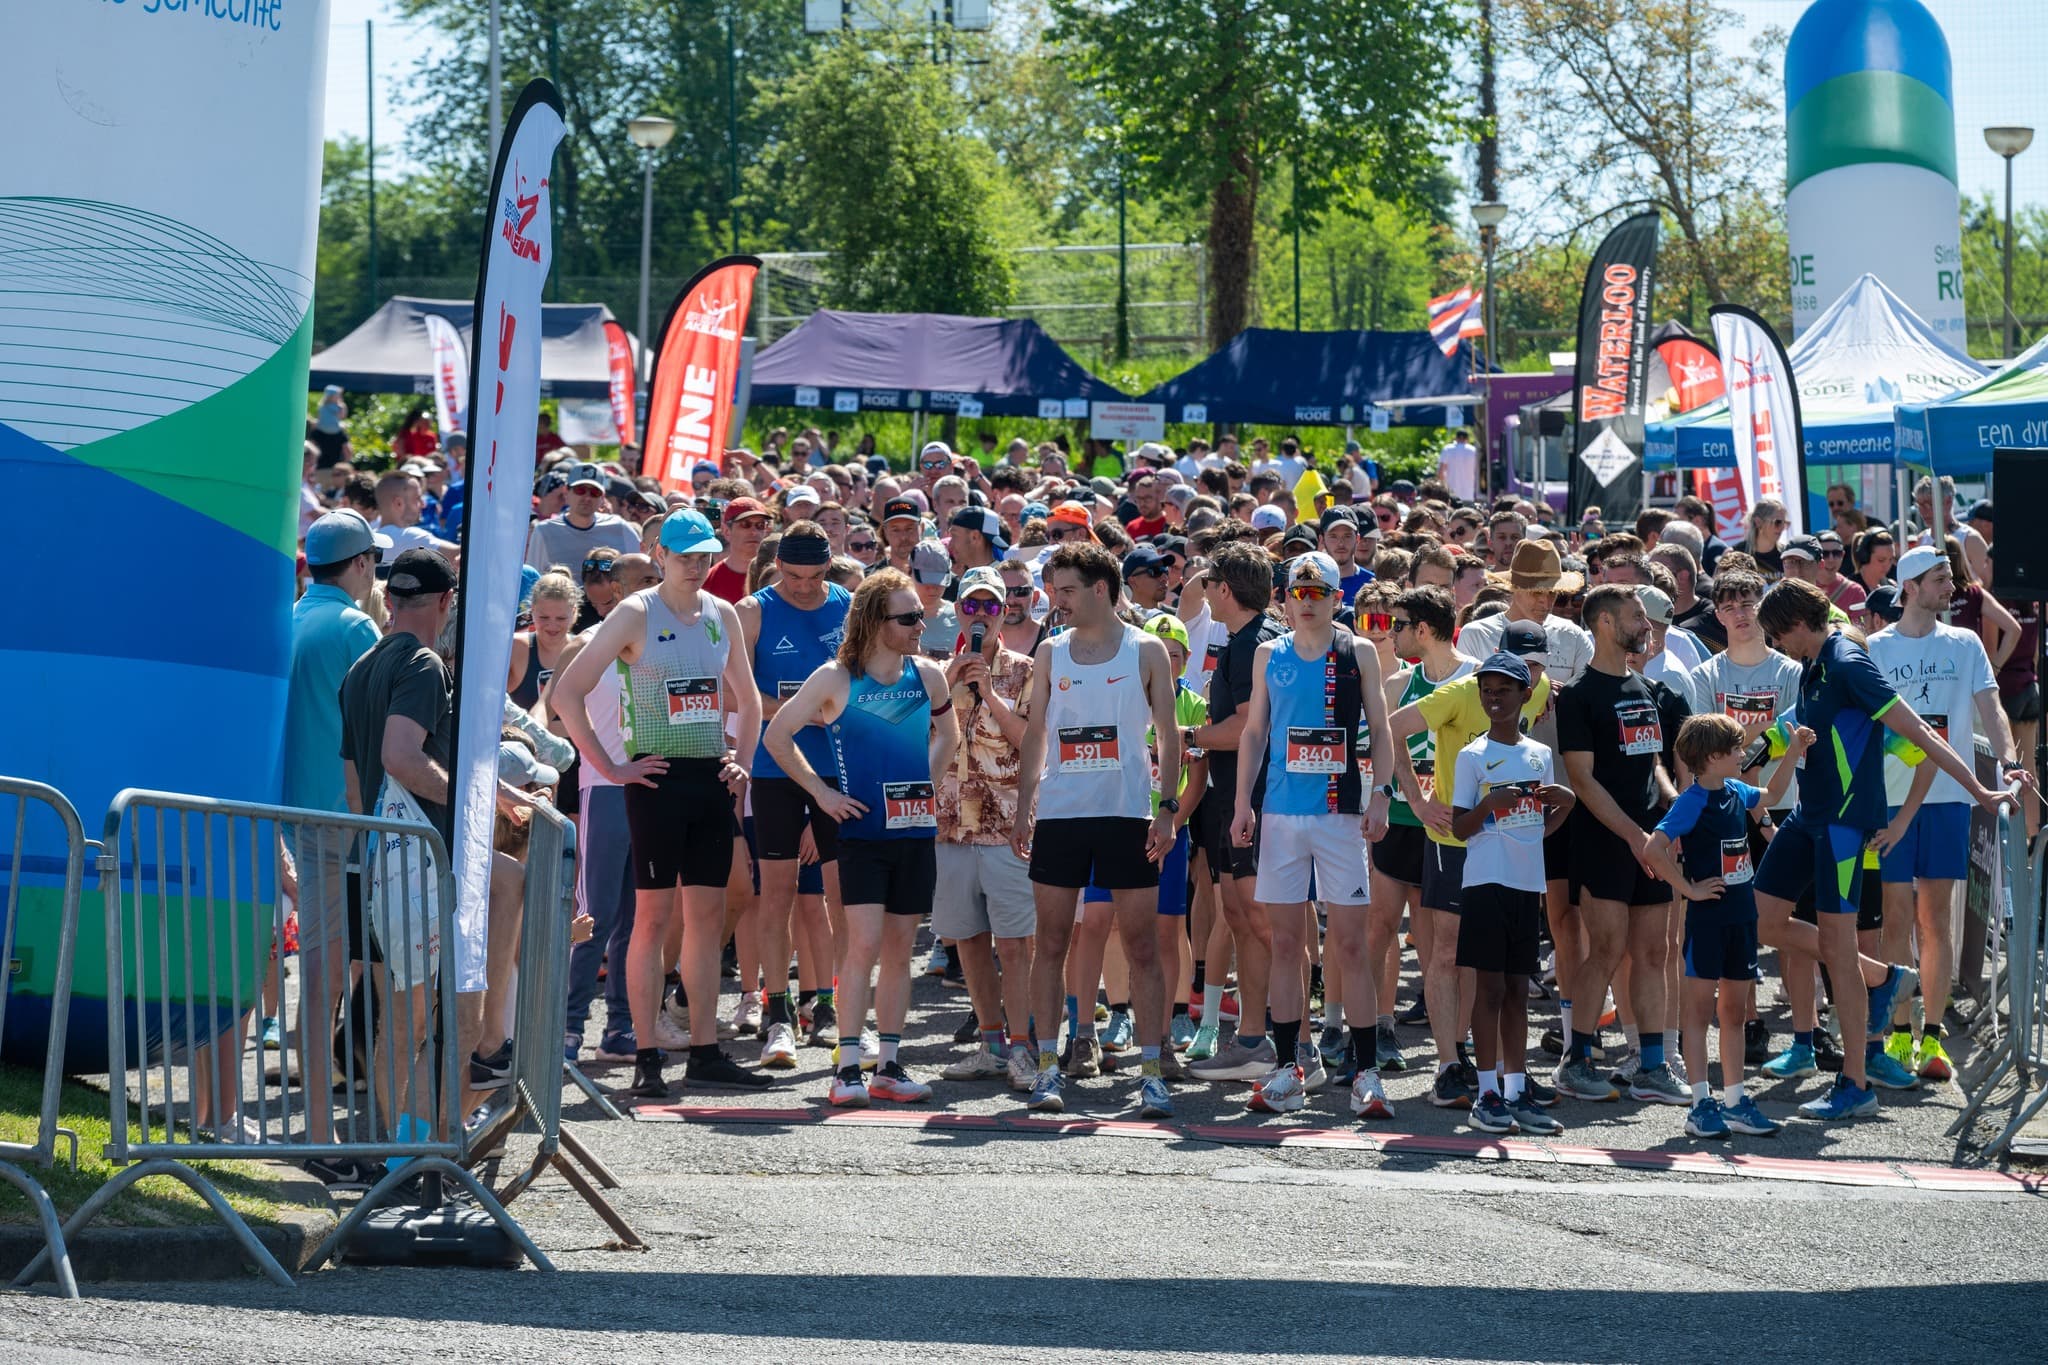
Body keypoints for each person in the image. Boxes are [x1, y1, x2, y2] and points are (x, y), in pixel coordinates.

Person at [1751, 576, 2010, 1120]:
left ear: (1796, 624)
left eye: (1776, 635)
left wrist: (1981, 790)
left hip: (1844, 826)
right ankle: (1883, 975)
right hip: (1807, 817)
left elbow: (1922, 734)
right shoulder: (1812, 664)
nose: (1775, 645)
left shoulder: (1849, 663)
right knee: (1762, 920)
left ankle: (1855, 1084)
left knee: (1837, 950)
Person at [551, 509, 767, 1099]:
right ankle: (645, 1054)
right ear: (660, 555)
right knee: (650, 920)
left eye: (704, 556)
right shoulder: (635, 612)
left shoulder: (721, 613)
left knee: (705, 921)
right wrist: (611, 768)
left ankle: (704, 1050)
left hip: (710, 780)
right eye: (685, 556)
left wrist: (743, 762)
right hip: (655, 781)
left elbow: (748, 700)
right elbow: (566, 692)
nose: (696, 566)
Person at [338, 550, 525, 1126]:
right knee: (445, 1020)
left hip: (379, 858)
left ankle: (404, 1149)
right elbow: (400, 756)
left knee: (403, 1022)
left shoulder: (362, 666)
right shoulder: (423, 664)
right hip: (417, 865)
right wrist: (472, 803)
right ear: (446, 602)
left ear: (391, 598)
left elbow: (354, 786)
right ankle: (421, 1146)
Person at [765, 570, 959, 1107]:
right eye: (909, 617)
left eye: (920, 615)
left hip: (913, 832)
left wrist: (925, 785)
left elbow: (949, 735)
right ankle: (847, 1067)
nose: (921, 625)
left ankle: (888, 1066)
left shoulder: (928, 674)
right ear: (875, 621)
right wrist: (822, 794)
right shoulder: (835, 677)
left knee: (899, 950)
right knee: (864, 945)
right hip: (861, 833)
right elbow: (777, 736)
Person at [1012, 542, 1183, 1119]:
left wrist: (1168, 807)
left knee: (1142, 945)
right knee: (1051, 942)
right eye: (1053, 590)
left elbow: (1170, 733)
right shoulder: (1050, 652)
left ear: (1101, 589)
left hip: (1127, 815)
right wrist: (1024, 806)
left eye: (1066, 590)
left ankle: (1152, 1072)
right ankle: (1047, 1065)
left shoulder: (1146, 649)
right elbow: (1037, 733)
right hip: (1061, 815)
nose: (1056, 601)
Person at [1230, 553, 1396, 1118]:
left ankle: (1366, 1072)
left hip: (1340, 814)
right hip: (1281, 813)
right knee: (1284, 944)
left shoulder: (1357, 651)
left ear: (1335, 598)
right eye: (1296, 592)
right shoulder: (1268, 653)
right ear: (1284, 596)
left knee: (1350, 944)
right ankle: (1287, 1069)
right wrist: (1243, 804)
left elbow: (1381, 729)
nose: (1305, 601)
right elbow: (1254, 733)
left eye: (1317, 592)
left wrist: (1381, 794)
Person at [1866, 545, 2020, 1084]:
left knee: (1934, 919)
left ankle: (1932, 1037)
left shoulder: (1965, 642)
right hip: (1889, 799)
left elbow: (1991, 708)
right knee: (1895, 919)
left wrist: (2009, 761)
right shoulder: (1875, 648)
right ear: (1909, 587)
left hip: (1949, 798)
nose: (1950, 587)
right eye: (1939, 579)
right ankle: (1898, 1032)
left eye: (1949, 577)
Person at [1387, 618, 1553, 1106]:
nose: (1532, 672)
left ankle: (1502, 1070)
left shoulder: (1539, 690)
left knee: (1497, 964)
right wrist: (1417, 802)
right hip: (1456, 841)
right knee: (1447, 951)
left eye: (1538, 665)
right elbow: (1392, 728)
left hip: (1510, 850)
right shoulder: (1464, 692)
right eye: (1523, 662)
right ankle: (1448, 1065)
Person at [1552, 584, 1689, 1104]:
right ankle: (1576, 1061)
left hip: (1651, 841)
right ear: (1605, 623)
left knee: (1654, 951)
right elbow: (1582, 780)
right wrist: (1634, 836)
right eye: (1636, 616)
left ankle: (1653, 1065)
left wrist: (1673, 811)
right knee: (1606, 949)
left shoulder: (1647, 690)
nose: (1647, 625)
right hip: (1605, 841)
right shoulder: (1579, 695)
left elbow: (1652, 763)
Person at [1645, 714, 1808, 1139]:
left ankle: (1735, 1102)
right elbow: (1653, 848)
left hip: (1742, 916)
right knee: (1698, 1013)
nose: (1741, 754)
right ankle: (1701, 1105)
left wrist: (1793, 752)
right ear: (1712, 757)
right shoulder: (1691, 801)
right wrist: (1688, 889)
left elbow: (1773, 793)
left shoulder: (1736, 790)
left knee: (1734, 1012)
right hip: (1708, 919)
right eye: (1735, 749)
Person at [283, 512, 386, 1177]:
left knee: (328, 974)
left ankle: (323, 1131)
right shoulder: (354, 628)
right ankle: (322, 1135)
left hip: (300, 814)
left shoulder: (291, 618)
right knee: (330, 976)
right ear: (362, 563)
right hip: (344, 821)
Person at [736, 522, 853, 1068]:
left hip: (839, 766)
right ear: (776, 566)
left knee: (841, 896)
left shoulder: (851, 606)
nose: (804, 588)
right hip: (775, 766)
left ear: (829, 565)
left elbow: (869, 682)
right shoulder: (753, 611)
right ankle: (778, 1012)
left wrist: (819, 711)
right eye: (793, 576)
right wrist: (806, 710)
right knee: (776, 893)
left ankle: (831, 1006)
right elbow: (737, 693)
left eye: (815, 576)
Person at [1450, 652, 1576, 1136]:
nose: (1493, 698)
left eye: (1504, 690)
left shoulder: (1539, 755)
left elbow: (1538, 828)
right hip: (1485, 882)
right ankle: (1486, 1093)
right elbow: (1460, 828)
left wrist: (1565, 806)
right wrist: (1489, 803)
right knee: (1490, 989)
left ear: (1527, 694)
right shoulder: (1472, 755)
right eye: (1487, 690)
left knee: (1519, 991)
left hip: (1526, 884)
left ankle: (1516, 1090)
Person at [932, 566, 1039, 1091]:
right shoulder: (935, 673)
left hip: (1007, 828)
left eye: (990, 606)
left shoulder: (1026, 671)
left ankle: (1023, 1047)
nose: (980, 614)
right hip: (949, 827)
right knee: (968, 939)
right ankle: (991, 1044)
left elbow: (1033, 744)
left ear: (1004, 612)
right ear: (957, 611)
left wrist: (990, 693)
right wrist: (949, 684)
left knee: (1016, 944)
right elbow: (917, 735)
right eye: (971, 605)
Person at [1183, 543, 1283, 1078]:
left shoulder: (1250, 645)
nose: (1204, 593)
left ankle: (1290, 1046)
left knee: (1264, 925)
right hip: (1237, 800)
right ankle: (1252, 1039)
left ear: (1225, 589)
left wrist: (1188, 737)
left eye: (1208, 583)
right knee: (1243, 920)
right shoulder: (1249, 638)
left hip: (1255, 801)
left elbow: (1247, 727)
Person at [1371, 586, 1472, 1074]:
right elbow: (1386, 744)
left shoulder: (1476, 678)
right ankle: (1379, 1028)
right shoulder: (1398, 684)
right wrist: (1414, 800)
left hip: (1451, 829)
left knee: (1438, 943)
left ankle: (1451, 1044)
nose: (1391, 634)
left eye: (1399, 625)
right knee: (1380, 926)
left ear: (1424, 630)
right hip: (1407, 821)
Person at [524, 463, 645, 585]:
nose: (587, 497)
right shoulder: (544, 531)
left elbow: (639, 575)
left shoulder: (621, 528)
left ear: (602, 497)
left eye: (594, 492)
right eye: (580, 490)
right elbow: (532, 581)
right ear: (566, 491)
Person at [509, 570, 579, 714]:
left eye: (560, 618)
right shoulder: (515, 648)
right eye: (544, 617)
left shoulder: (583, 649)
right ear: (532, 611)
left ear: (573, 613)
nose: (552, 625)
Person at [373, 470, 460, 565]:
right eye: (417, 498)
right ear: (398, 503)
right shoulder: (411, 537)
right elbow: (462, 555)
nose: (423, 504)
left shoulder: (370, 538)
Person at [706, 497, 771, 603]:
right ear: (726, 531)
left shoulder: (778, 578)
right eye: (745, 524)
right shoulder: (707, 581)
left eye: (760, 525)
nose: (754, 532)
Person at [1743, 498, 1788, 578]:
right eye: (1777, 522)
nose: (1781, 528)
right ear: (1758, 522)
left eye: (1784, 523)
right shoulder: (1736, 554)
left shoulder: (1787, 555)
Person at [1436, 429, 1479, 503]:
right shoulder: (1473, 451)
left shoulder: (1448, 449)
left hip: (1451, 494)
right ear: (1467, 439)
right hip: (1469, 494)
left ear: (1456, 438)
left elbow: (1441, 472)